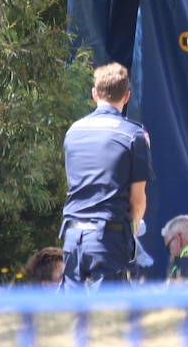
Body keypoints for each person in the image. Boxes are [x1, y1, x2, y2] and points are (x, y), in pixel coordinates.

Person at [59, 62, 155, 292]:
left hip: (72, 235)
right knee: (108, 315)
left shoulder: (73, 131)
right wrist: (133, 229)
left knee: (71, 314)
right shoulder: (134, 136)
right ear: (127, 96)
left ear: (94, 94)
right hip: (108, 238)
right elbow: (137, 200)